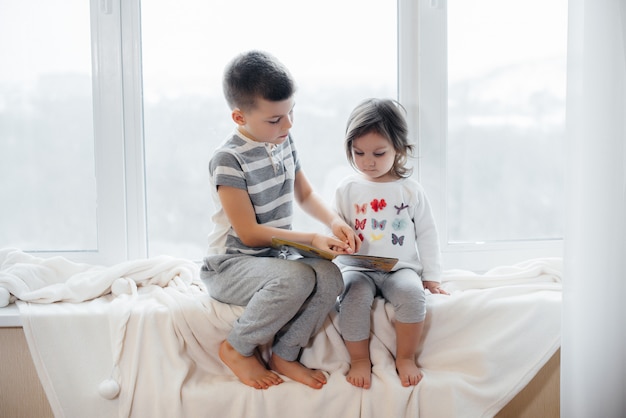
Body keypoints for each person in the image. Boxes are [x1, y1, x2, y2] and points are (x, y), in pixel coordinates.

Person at [200, 50, 360, 391]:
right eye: (275, 119)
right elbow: (249, 234)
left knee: (331, 276)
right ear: (239, 117)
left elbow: (304, 194)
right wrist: (312, 240)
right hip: (230, 266)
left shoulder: (283, 141)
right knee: (298, 279)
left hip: (276, 260)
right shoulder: (228, 160)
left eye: (290, 114)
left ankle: (285, 353)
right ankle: (236, 348)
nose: (287, 125)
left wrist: (334, 223)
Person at [333, 98, 448, 389]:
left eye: (378, 153)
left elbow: (427, 233)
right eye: (358, 153)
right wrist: (338, 241)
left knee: (412, 295)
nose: (367, 161)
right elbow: (334, 225)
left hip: (400, 269)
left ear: (398, 149)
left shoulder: (409, 190)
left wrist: (431, 277)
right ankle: (359, 359)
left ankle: (405, 357)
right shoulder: (348, 188)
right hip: (358, 268)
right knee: (353, 298)